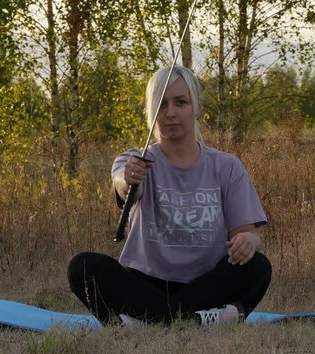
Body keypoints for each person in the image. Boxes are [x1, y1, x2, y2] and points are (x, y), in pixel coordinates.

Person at [68, 65, 271, 326]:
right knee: (82, 267)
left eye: (181, 102)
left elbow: (247, 233)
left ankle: (147, 321)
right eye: (161, 105)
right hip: (145, 284)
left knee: (259, 267)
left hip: (205, 284)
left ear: (197, 108)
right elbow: (123, 183)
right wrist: (127, 178)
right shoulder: (134, 161)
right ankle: (199, 320)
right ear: (151, 112)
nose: (171, 113)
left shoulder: (227, 166)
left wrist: (248, 241)